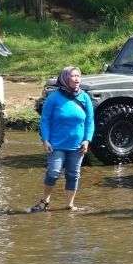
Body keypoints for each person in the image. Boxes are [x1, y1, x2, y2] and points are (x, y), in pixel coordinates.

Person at [33, 66, 94, 212]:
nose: (77, 79)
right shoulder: (53, 98)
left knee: (73, 174)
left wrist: (87, 140)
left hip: (77, 145)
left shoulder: (85, 97)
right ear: (65, 79)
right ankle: (45, 200)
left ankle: (69, 205)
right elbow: (45, 120)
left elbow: (90, 121)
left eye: (78, 76)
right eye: (73, 76)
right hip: (56, 144)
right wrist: (45, 140)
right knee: (53, 172)